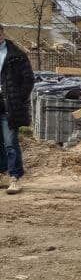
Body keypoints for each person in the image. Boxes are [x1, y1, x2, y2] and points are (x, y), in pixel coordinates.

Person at [0, 24, 34, 195]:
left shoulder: (16, 55)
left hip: (9, 105)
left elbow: (28, 80)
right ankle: (1, 174)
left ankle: (14, 178)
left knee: (10, 142)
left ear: (2, 33)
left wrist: (18, 99)